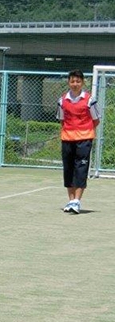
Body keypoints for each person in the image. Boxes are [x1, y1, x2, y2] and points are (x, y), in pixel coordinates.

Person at [56, 70, 100, 214]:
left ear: (83, 83)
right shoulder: (62, 100)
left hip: (84, 139)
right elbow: (62, 120)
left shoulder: (89, 100)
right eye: (72, 81)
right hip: (67, 138)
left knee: (81, 168)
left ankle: (77, 201)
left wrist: (84, 132)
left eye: (78, 81)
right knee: (68, 169)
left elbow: (96, 120)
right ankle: (71, 200)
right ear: (68, 82)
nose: (75, 84)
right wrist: (69, 132)